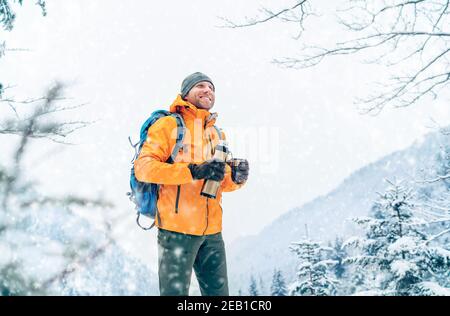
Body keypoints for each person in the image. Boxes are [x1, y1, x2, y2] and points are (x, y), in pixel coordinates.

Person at [134, 72, 249, 296]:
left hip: (212, 233)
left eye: (212, 87)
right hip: (176, 231)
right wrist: (192, 171)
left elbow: (221, 182)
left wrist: (237, 178)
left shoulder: (216, 133)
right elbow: (144, 168)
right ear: (186, 93)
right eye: (201, 86)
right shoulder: (168, 126)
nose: (208, 90)